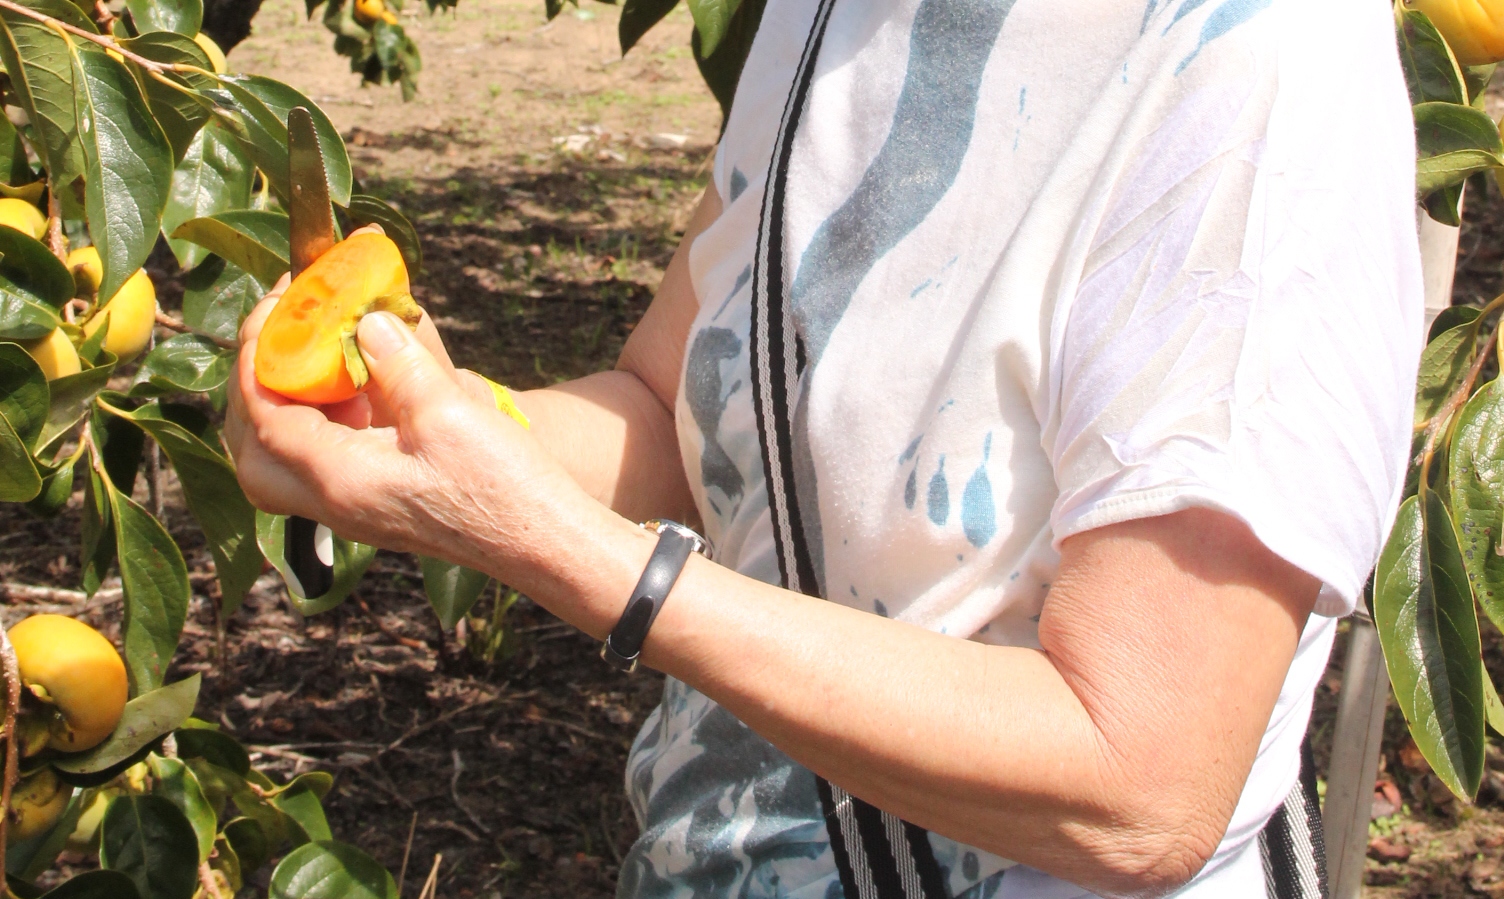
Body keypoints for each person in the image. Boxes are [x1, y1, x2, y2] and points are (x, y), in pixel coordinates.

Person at [226, 0, 1424, 896]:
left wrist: (568, 554)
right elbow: (682, 409)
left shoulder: (1259, 68)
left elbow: (1138, 777)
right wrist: (426, 427)